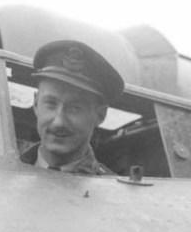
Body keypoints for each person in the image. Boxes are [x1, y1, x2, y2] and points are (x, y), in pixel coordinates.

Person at [20, 40, 124, 175]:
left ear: (100, 115)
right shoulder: (1, 173)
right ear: (35, 104)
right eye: (51, 104)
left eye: (75, 108)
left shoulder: (114, 192)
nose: (59, 122)